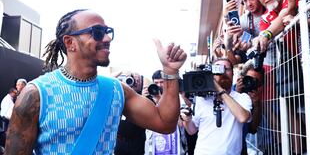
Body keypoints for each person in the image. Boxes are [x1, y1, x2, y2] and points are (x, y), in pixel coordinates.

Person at [5, 9, 187, 154]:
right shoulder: (36, 94)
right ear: (70, 42)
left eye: (108, 32)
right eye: (97, 33)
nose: (107, 38)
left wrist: (170, 71)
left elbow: (165, 123)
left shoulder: (116, 91)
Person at [180, 58, 252, 155]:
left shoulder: (242, 98)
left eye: (226, 69)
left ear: (233, 73)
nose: (223, 72)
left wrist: (219, 89)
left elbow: (243, 117)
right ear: (211, 73)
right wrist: (187, 120)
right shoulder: (201, 99)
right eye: (218, 69)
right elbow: (192, 130)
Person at [113, 72, 146, 155]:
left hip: (137, 142)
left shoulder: (144, 97)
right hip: (119, 141)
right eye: (131, 79)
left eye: (137, 80)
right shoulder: (119, 95)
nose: (134, 82)